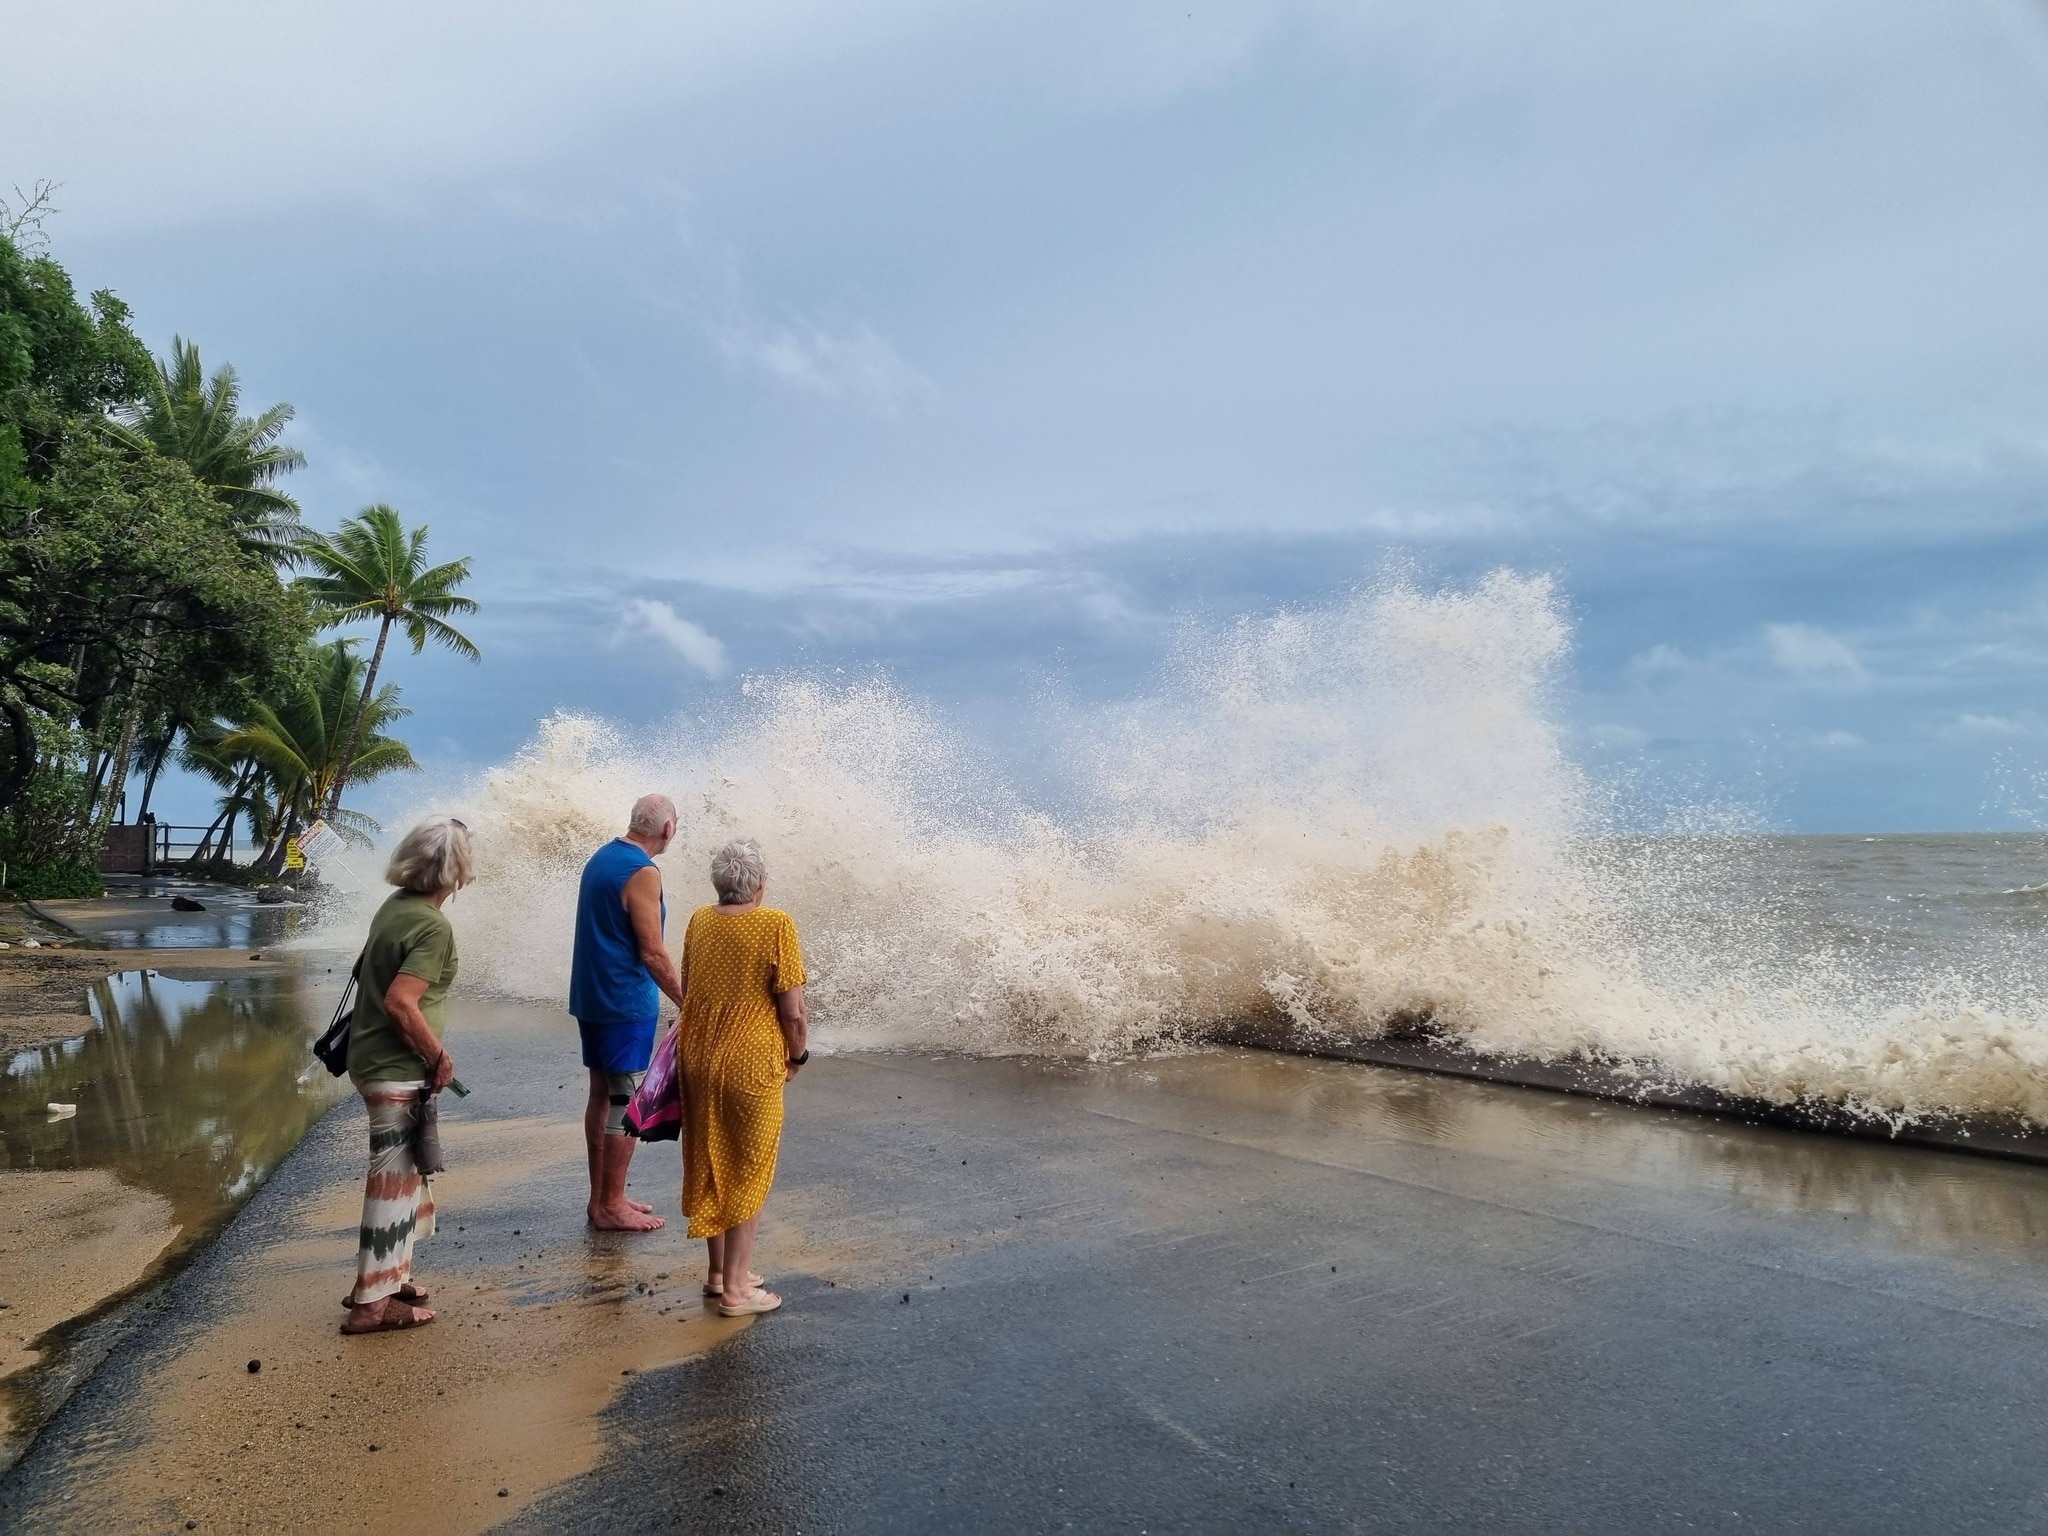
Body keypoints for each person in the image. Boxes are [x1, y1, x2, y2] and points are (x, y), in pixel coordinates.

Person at [341, 816, 472, 1335]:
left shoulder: (395, 908)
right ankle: (372, 1307)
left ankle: (387, 1280)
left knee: (404, 1176)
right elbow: (402, 1002)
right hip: (395, 1065)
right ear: (457, 871)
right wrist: (439, 1057)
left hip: (373, 1057)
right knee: (392, 1182)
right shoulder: (433, 925)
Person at [677, 838, 808, 1316]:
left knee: (711, 1155)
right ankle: (737, 1291)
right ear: (760, 885)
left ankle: (719, 1273)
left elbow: (689, 991)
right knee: (748, 1167)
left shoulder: (700, 920)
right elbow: (792, 1012)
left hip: (698, 1053)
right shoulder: (776, 923)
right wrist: (798, 1056)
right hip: (750, 1059)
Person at [569, 793, 687, 1232]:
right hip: (622, 1000)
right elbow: (652, 952)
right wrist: (686, 1002)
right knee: (623, 1098)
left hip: (592, 995)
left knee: (602, 1093)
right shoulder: (643, 872)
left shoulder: (603, 857)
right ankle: (610, 1204)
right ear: (668, 830)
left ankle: (601, 1199)